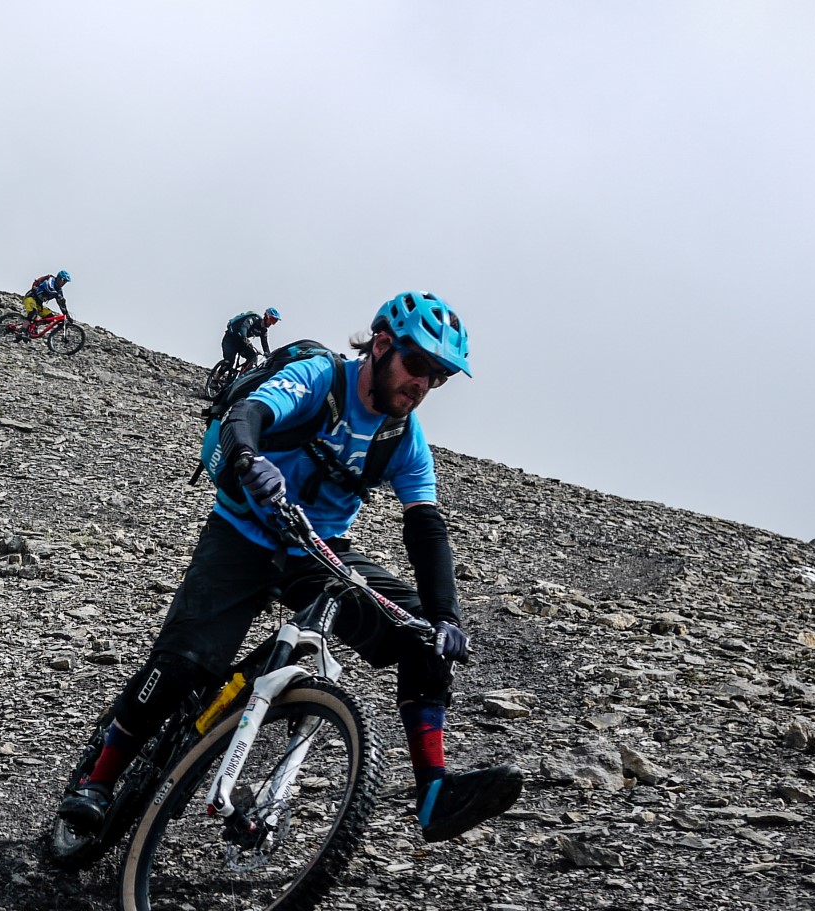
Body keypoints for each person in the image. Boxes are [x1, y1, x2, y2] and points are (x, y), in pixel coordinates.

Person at [58, 291, 522, 843]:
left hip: (317, 550)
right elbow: (248, 414)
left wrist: (446, 614)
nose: (422, 384)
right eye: (417, 364)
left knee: (422, 634)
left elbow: (425, 525)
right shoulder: (320, 379)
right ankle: (97, 780)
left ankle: (434, 792)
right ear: (381, 344)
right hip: (242, 532)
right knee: (184, 665)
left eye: (437, 377)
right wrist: (251, 459)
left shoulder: (404, 437)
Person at [213, 307, 282, 398]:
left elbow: (265, 344)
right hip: (230, 339)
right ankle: (215, 380)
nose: (272, 323)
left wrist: (268, 355)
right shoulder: (253, 319)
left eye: (274, 321)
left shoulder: (263, 330)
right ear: (266, 316)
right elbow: (244, 327)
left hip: (241, 343)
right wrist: (244, 337)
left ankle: (240, 378)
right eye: (272, 320)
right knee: (229, 362)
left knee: (253, 357)